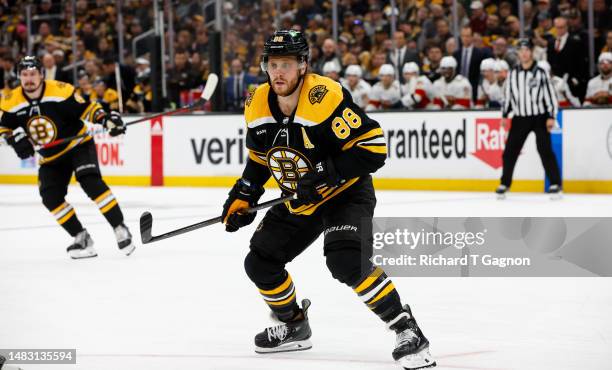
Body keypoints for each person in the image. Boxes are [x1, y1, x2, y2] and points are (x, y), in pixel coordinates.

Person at [220, 30, 436, 370]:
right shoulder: (257, 102)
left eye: (287, 65)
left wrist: (323, 173)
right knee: (259, 263)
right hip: (301, 199)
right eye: (273, 64)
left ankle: (407, 330)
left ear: (303, 66)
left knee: (346, 261)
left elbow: (374, 149)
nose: (279, 73)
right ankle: (294, 325)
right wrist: (244, 193)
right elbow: (260, 158)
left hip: (346, 192)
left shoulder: (324, 97)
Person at [0, 56, 135, 259]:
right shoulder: (11, 101)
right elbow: (4, 128)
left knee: (90, 181)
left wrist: (106, 119)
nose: (29, 79)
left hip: (77, 145)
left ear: (41, 75)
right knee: (50, 198)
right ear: (19, 76)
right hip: (50, 156)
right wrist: (15, 140)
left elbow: (87, 109)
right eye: (24, 75)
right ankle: (81, 237)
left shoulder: (60, 91)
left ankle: (120, 227)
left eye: (33, 74)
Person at [497, 39, 561, 199]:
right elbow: (508, 96)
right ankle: (505, 183)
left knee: (545, 150)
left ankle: (555, 183)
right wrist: (505, 115)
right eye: (521, 50)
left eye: (526, 50)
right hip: (520, 117)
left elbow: (551, 95)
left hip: (539, 117)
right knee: (510, 151)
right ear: (518, 53)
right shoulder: (513, 74)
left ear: (531, 52)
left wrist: (551, 116)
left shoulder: (540, 72)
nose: (524, 53)